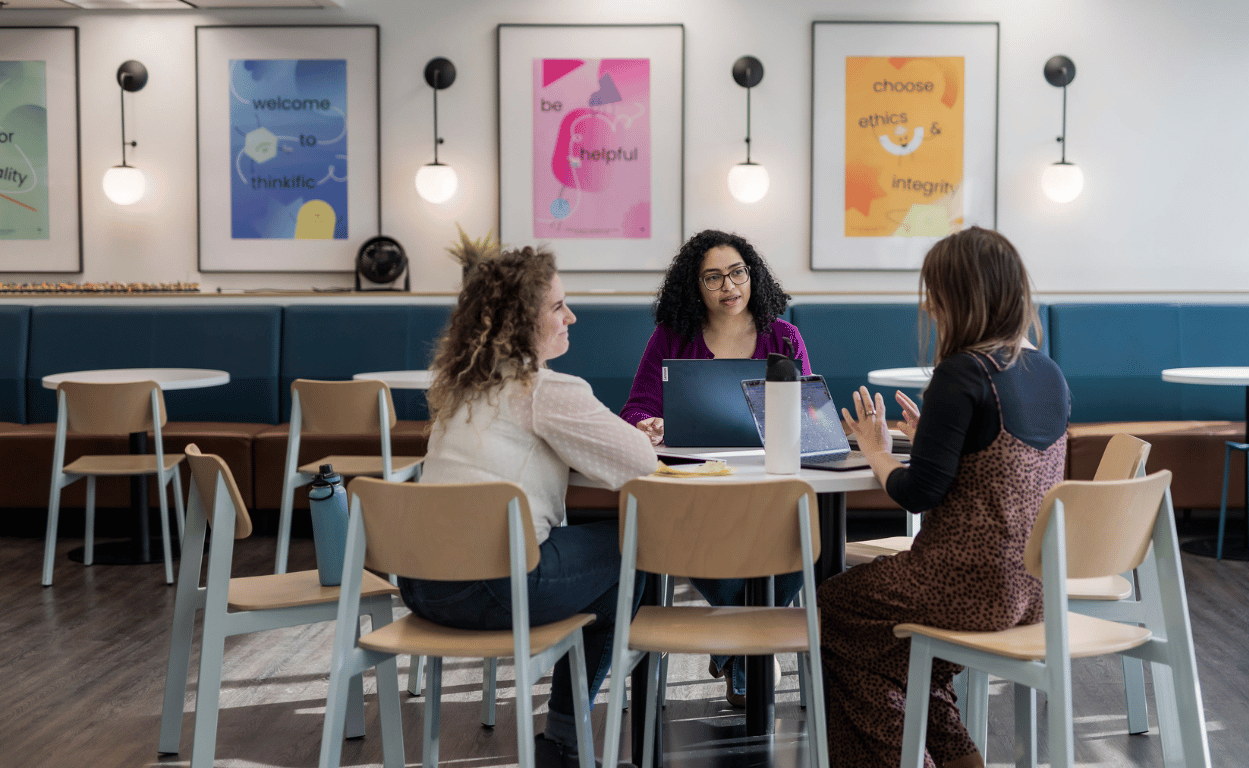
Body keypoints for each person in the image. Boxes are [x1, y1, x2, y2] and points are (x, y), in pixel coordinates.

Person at [403, 230, 658, 768]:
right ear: (523, 323)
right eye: (559, 307)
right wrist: (632, 439)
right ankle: (566, 738)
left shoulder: (463, 388)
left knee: (589, 554)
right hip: (493, 588)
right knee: (637, 548)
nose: (571, 318)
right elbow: (639, 463)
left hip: (421, 585)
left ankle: (569, 732)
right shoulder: (544, 389)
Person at [819, 227, 1070, 768]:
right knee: (907, 652)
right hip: (1033, 590)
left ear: (960, 296)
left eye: (937, 291)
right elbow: (995, 469)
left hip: (965, 587)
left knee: (827, 609)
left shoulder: (963, 372)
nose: (930, 305)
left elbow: (918, 492)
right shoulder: (1047, 372)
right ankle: (958, 758)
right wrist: (932, 432)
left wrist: (877, 447)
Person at [619, 228, 811, 707]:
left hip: (770, 489)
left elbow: (809, 412)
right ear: (695, 287)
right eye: (713, 278)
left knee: (804, 540)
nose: (729, 287)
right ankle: (750, 655)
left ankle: (735, 656)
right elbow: (635, 407)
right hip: (698, 491)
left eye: (737, 273)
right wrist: (646, 423)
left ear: (752, 275)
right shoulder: (672, 338)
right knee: (697, 543)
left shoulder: (784, 337)